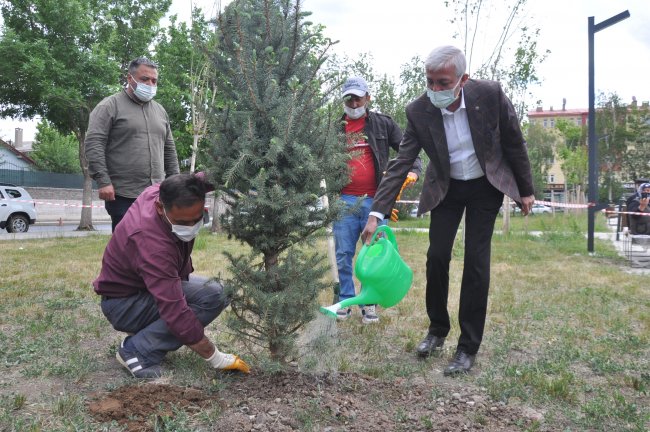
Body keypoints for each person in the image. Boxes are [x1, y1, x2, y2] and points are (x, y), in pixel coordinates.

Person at [361, 46, 535, 375]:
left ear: (463, 79)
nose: (435, 90)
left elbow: (514, 141)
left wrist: (525, 190)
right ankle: (437, 330)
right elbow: (400, 165)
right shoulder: (419, 110)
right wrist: (376, 213)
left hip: (485, 186)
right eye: (430, 82)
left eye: (443, 83)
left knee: (476, 262)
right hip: (447, 186)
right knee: (437, 256)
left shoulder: (490, 94)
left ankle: (468, 347)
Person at [93, 173, 250, 378]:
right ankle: (137, 350)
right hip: (123, 305)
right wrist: (215, 357)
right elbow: (175, 310)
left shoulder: (161, 191)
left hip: (143, 289)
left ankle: (148, 334)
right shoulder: (152, 245)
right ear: (160, 208)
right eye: (183, 222)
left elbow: (210, 175)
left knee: (217, 292)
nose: (191, 227)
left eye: (197, 219)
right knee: (211, 297)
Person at [334, 76, 421, 324]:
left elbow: (409, 148)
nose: (353, 103)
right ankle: (346, 299)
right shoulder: (334, 129)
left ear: (368, 98)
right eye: (348, 98)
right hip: (344, 200)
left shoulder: (383, 124)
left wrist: (413, 170)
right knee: (343, 254)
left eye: (357, 98)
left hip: (376, 202)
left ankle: (369, 303)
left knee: (374, 254)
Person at [85, 57, 180, 232]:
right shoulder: (109, 106)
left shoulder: (160, 111)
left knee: (155, 248)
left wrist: (175, 182)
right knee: (127, 249)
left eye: (154, 80)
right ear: (130, 78)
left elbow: (169, 149)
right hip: (123, 194)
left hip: (157, 194)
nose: (150, 84)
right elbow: (94, 144)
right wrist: (103, 181)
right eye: (145, 79)